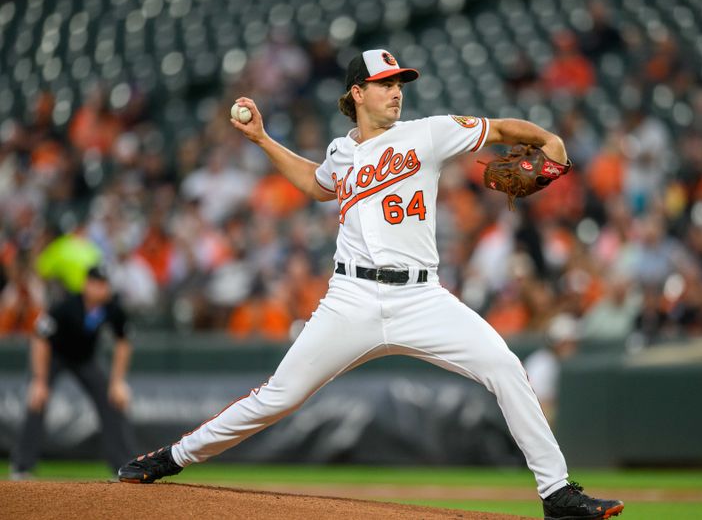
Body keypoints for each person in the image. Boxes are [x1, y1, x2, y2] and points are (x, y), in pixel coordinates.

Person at [118, 49, 624, 519]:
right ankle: (174, 456)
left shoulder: (430, 132)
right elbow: (316, 184)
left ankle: (556, 492)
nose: (396, 91)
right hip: (351, 299)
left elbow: (502, 128)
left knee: (505, 367)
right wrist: (263, 141)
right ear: (357, 93)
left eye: (399, 82)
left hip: (422, 297)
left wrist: (547, 141)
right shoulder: (342, 152)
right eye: (385, 84)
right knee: (278, 396)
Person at [10, 266, 136, 479]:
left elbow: (123, 343)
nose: (101, 289)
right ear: (86, 284)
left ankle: (124, 467)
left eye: (104, 284)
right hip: (55, 356)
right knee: (37, 400)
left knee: (112, 401)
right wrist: (39, 381)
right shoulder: (65, 306)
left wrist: (118, 382)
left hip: (85, 359)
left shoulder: (112, 308)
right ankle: (22, 467)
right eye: (96, 283)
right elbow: (40, 340)